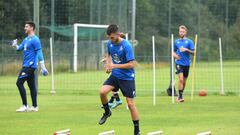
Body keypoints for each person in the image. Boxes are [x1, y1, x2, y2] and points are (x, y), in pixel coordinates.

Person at [98, 24, 140, 135]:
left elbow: (132, 64)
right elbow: (109, 55)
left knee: (130, 104)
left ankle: (137, 130)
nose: (110, 40)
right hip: (115, 76)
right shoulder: (110, 44)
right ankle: (107, 112)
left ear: (117, 34)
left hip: (127, 78)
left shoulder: (126, 46)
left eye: (112, 37)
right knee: (102, 92)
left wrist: (114, 66)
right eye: (109, 38)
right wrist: (108, 65)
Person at [12, 21, 48, 112]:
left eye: (26, 26)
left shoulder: (35, 39)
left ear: (31, 28)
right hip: (26, 65)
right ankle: (35, 107)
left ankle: (25, 105)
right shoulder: (26, 39)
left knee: (19, 83)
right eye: (25, 26)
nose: (25, 28)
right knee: (32, 86)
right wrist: (15, 45)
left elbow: (39, 53)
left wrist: (43, 67)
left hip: (30, 66)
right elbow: (19, 48)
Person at [173, 25, 195, 103]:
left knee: (184, 81)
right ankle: (180, 97)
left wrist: (187, 50)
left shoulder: (189, 41)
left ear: (185, 32)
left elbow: (194, 53)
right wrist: (175, 55)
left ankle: (180, 94)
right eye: (180, 31)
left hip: (187, 64)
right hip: (179, 63)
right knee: (181, 79)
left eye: (182, 31)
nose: (181, 33)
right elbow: (173, 51)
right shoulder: (176, 41)